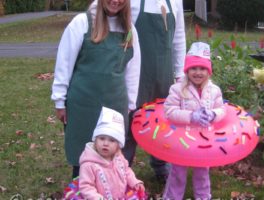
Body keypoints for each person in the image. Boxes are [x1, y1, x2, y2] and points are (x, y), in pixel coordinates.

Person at [51, 0, 141, 178]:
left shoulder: (129, 29)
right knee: (83, 154)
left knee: (110, 155)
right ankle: (82, 190)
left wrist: (130, 104)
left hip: (115, 103)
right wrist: (60, 100)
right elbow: (64, 62)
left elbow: (133, 69)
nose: (116, 1)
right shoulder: (82, 23)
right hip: (83, 104)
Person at [125, 0, 187, 181]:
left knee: (162, 121)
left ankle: (161, 166)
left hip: (164, 73)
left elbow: (179, 38)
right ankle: (123, 167)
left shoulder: (175, 2)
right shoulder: (132, 2)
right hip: (137, 73)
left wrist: (179, 74)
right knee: (130, 120)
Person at [163, 42, 226, 200]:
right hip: (182, 139)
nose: (198, 72)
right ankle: (172, 196)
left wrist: (212, 114)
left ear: (209, 71)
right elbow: (170, 111)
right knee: (178, 170)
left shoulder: (214, 90)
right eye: (193, 68)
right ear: (187, 70)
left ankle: (203, 196)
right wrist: (191, 116)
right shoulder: (177, 89)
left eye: (203, 68)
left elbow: (222, 110)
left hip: (204, 139)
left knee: (202, 171)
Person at [79, 107, 145, 199]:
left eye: (112, 140)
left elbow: (126, 171)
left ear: (118, 145)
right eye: (102, 138)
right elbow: (86, 186)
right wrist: (96, 197)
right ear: (95, 140)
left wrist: (134, 182)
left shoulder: (118, 157)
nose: (105, 143)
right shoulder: (89, 164)